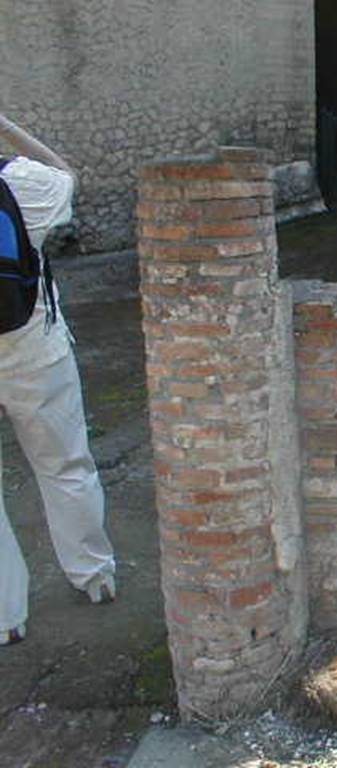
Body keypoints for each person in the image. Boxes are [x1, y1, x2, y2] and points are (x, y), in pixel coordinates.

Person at [0, 113, 116, 647]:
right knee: (64, 462)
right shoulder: (19, 180)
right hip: (30, 344)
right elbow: (67, 175)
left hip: (26, 341)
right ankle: (93, 576)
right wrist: (8, 127)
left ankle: (5, 617)